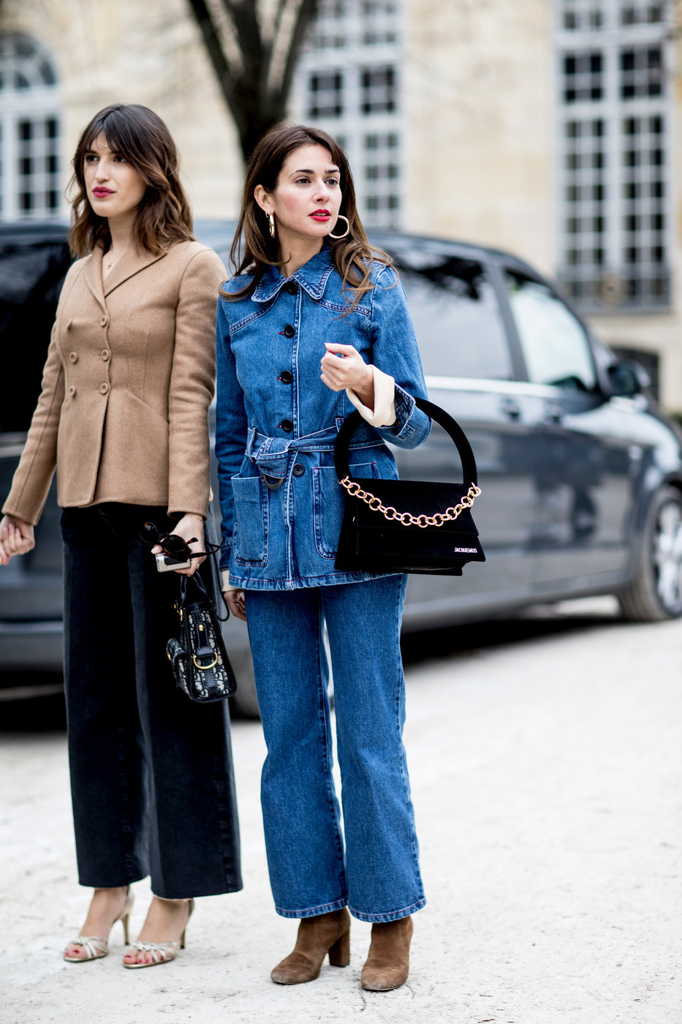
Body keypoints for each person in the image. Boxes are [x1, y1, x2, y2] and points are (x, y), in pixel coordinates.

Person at [0, 104, 241, 969]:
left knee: (173, 699)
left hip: (158, 515)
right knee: (96, 706)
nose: (99, 173)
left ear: (153, 169)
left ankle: (178, 890)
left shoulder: (193, 266)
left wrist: (189, 513)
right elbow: (52, 395)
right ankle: (109, 884)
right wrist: (20, 505)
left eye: (117, 158)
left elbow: (193, 394)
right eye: (90, 159)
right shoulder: (80, 272)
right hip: (83, 511)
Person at [215, 122, 430, 992]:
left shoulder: (371, 288)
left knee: (370, 731)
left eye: (332, 179)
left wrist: (370, 386)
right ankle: (316, 916)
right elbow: (228, 436)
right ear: (265, 197)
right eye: (303, 179)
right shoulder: (236, 300)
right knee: (289, 739)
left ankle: (390, 917)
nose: (322, 193)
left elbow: (417, 424)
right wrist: (232, 554)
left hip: (360, 527)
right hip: (268, 538)